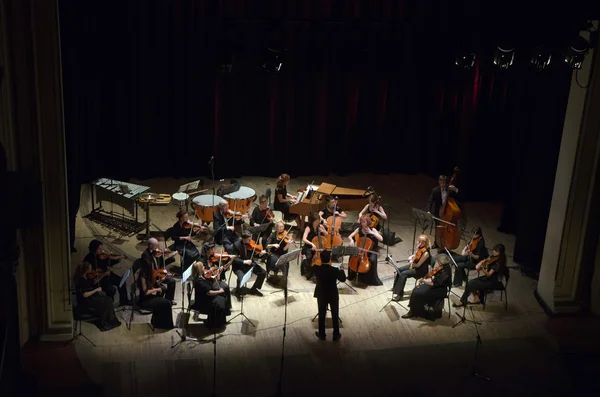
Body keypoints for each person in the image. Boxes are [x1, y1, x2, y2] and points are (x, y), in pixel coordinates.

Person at [72, 262, 121, 331]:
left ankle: (110, 320)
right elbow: (84, 294)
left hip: (90, 297)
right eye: (91, 269)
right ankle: (107, 322)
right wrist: (96, 290)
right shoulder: (81, 280)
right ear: (87, 270)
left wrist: (100, 277)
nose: (92, 270)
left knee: (107, 299)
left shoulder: (83, 277)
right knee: (106, 302)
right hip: (86, 301)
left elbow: (90, 284)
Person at [402, 254, 452, 320]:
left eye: (438, 261)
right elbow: (433, 274)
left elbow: (435, 283)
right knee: (416, 289)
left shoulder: (446, 272)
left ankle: (414, 312)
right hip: (436, 286)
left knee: (418, 292)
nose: (438, 262)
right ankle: (414, 308)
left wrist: (424, 281)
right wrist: (427, 275)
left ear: (442, 261)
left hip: (440, 290)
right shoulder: (442, 266)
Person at [83, 239, 130, 306]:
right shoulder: (88, 258)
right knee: (110, 289)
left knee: (121, 281)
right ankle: (109, 303)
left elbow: (110, 262)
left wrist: (119, 259)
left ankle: (124, 301)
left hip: (106, 275)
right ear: (94, 249)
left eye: (102, 248)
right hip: (98, 279)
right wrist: (103, 273)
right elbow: (89, 273)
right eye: (99, 249)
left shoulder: (102, 256)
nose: (102, 250)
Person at [313, 251, 346, 341]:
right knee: (335, 314)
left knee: (322, 314)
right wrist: (342, 269)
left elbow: (310, 268)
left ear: (321, 259)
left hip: (321, 294)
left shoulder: (317, 269)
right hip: (332, 294)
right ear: (330, 259)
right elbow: (343, 279)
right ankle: (336, 334)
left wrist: (314, 259)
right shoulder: (334, 270)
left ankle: (322, 334)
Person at [136, 258, 174, 329]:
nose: (153, 268)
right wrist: (157, 289)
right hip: (144, 301)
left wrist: (160, 281)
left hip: (149, 297)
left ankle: (157, 322)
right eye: (152, 266)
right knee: (167, 303)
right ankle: (167, 325)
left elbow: (152, 285)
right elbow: (145, 292)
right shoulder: (142, 277)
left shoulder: (149, 273)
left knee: (164, 301)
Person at [191, 261, 231, 328]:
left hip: (205, 297)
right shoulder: (199, 281)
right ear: (200, 269)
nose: (204, 267)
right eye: (203, 267)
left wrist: (216, 274)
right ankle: (215, 323)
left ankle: (219, 320)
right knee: (221, 300)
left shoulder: (201, 276)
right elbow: (208, 293)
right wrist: (219, 291)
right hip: (204, 301)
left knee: (223, 297)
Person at [392, 235, 431, 301]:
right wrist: (412, 257)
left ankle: (399, 294)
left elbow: (418, 264)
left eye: (422, 242)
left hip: (420, 270)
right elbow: (416, 256)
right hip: (414, 265)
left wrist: (411, 263)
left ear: (426, 243)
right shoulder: (419, 247)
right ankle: (396, 288)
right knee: (399, 270)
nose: (420, 244)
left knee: (404, 274)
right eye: (419, 242)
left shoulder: (426, 253)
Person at [347, 214, 383, 286]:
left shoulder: (373, 229)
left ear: (368, 222)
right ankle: (352, 275)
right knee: (351, 256)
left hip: (371, 250)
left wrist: (371, 233)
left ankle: (371, 279)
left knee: (372, 260)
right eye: (361, 222)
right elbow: (350, 236)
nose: (362, 223)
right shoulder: (359, 229)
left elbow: (381, 239)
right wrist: (351, 240)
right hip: (361, 249)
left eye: (364, 222)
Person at [231, 230, 267, 299]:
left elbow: (255, 255)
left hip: (250, 264)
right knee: (241, 278)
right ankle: (237, 291)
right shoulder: (236, 245)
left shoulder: (251, 243)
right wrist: (244, 261)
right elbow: (234, 259)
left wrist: (260, 254)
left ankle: (254, 289)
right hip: (239, 266)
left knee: (263, 272)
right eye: (249, 239)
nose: (250, 240)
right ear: (244, 239)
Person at [141, 238, 177, 305]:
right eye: (156, 246)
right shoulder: (146, 255)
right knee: (162, 287)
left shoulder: (157, 253)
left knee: (172, 281)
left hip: (158, 273)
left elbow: (162, 264)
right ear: (151, 246)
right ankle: (157, 301)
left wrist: (171, 257)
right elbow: (150, 270)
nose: (158, 248)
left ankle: (169, 300)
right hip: (153, 276)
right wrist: (163, 272)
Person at [301, 213, 329, 279]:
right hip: (309, 246)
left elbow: (327, 235)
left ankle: (320, 272)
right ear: (312, 221)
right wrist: (312, 244)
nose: (317, 223)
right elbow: (304, 239)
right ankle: (308, 272)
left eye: (318, 221)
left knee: (325, 255)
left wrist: (323, 231)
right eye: (316, 221)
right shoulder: (308, 228)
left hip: (318, 247)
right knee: (310, 256)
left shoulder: (320, 226)